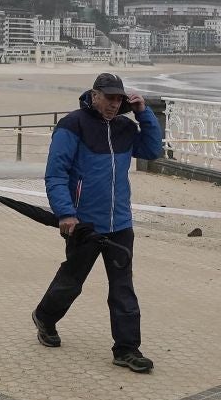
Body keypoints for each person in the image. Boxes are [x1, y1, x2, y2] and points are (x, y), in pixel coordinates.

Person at [33, 72, 163, 373]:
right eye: (109, 98)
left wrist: (144, 113)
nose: (114, 105)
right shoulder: (72, 125)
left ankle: (127, 349)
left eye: (119, 99)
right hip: (83, 224)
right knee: (72, 281)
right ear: (94, 96)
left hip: (120, 223)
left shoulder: (125, 128)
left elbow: (152, 150)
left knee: (123, 288)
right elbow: (56, 174)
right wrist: (65, 213)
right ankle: (45, 317)